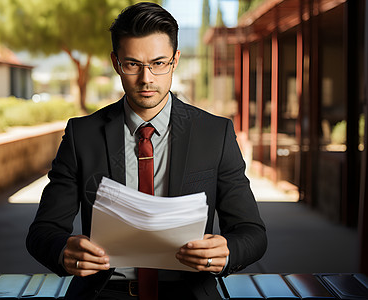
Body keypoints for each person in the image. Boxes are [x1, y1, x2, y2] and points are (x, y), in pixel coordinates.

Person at [26, 2, 267, 299]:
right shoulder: (82, 135)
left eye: (158, 63)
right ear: (116, 63)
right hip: (104, 292)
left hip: (188, 293)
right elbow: (43, 231)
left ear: (175, 60)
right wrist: (64, 251)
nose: (146, 79)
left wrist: (226, 251)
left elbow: (252, 232)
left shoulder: (215, 134)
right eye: (132, 65)